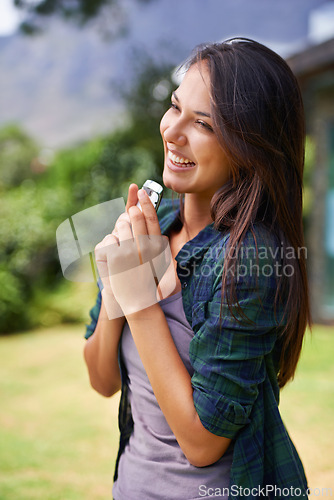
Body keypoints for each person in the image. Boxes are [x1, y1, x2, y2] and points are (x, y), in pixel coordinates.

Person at [83, 38, 311, 499]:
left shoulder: (252, 260)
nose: (172, 131)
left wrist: (140, 299)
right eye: (175, 107)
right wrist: (116, 288)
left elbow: (203, 443)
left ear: (252, 146)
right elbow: (101, 380)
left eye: (203, 123)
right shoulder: (156, 227)